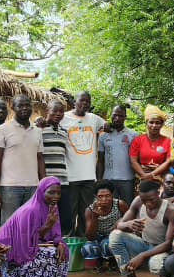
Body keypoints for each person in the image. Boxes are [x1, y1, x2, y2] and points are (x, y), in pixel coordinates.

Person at [0, 177, 69, 277]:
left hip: (32, 244)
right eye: (51, 192)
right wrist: (48, 226)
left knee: (62, 250)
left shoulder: (52, 206)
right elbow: (25, 242)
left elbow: (54, 233)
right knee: (46, 257)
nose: (56, 196)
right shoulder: (30, 211)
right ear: (41, 192)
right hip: (12, 251)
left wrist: (58, 242)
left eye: (58, 193)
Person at [110, 180, 174, 277]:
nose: (147, 203)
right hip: (145, 244)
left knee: (155, 264)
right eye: (144, 200)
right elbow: (119, 224)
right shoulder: (138, 201)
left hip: (162, 249)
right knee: (115, 235)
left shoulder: (171, 210)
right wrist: (128, 224)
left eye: (151, 199)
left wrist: (142, 256)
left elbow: (168, 244)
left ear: (158, 193)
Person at [0, 94, 45, 224]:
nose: (24, 108)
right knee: (9, 225)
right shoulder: (2, 130)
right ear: (13, 108)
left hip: (33, 186)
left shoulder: (37, 131)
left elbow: (40, 159)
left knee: (30, 224)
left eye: (27, 105)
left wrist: (43, 184)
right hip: (9, 187)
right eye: (20, 105)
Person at [61, 91, 106, 237]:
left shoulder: (94, 119)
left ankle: (83, 243)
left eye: (87, 101)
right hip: (70, 176)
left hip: (88, 176)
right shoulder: (64, 117)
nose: (84, 104)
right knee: (69, 213)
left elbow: (108, 126)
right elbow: (49, 122)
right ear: (75, 101)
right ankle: (68, 244)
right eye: (82, 100)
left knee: (85, 212)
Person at [39, 100, 72, 231]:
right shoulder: (39, 129)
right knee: (45, 215)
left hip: (62, 181)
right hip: (46, 182)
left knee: (64, 216)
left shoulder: (64, 131)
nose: (58, 114)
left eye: (61, 111)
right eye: (55, 110)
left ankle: (62, 243)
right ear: (47, 111)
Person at [83, 180, 129, 272]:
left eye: (107, 196)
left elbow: (129, 222)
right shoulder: (90, 210)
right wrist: (95, 218)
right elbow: (90, 237)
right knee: (88, 248)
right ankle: (100, 263)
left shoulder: (120, 205)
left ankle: (113, 263)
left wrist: (118, 227)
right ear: (96, 197)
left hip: (115, 235)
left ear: (112, 195)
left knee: (107, 244)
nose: (104, 199)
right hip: (98, 237)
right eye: (100, 196)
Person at [98, 105, 139, 202]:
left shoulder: (133, 135)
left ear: (125, 117)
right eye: (114, 115)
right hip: (108, 179)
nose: (117, 118)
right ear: (111, 115)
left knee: (128, 207)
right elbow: (100, 160)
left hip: (127, 179)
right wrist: (100, 180)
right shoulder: (103, 136)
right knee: (111, 209)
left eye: (120, 116)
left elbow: (137, 159)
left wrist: (137, 177)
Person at [130, 105, 173, 184]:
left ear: (162, 124)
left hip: (161, 179)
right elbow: (133, 161)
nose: (154, 125)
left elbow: (168, 161)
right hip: (141, 179)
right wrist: (144, 175)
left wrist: (152, 174)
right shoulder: (138, 140)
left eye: (157, 123)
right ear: (146, 123)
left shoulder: (167, 141)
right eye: (151, 122)